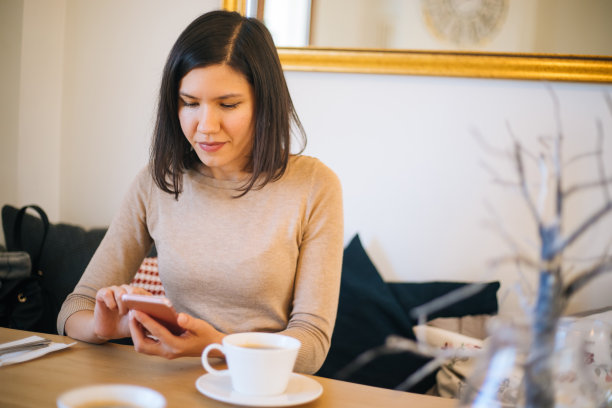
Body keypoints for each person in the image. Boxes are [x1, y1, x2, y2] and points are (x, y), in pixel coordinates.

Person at [57, 10, 343, 375]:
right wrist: (107, 327)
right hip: (172, 386)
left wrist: (219, 346)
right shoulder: (156, 182)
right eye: (190, 103)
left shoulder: (314, 186)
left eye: (228, 104)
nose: (205, 126)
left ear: (263, 103)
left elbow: (312, 343)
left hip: (261, 390)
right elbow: (73, 309)